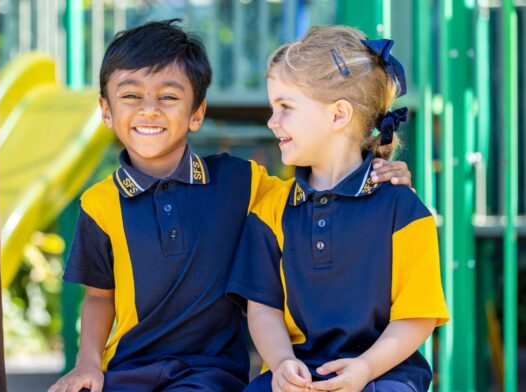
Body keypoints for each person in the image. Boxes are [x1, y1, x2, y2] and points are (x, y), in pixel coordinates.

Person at [49, 20, 413, 392]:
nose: (150, 110)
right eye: (130, 96)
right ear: (106, 110)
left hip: (209, 372)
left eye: (169, 97)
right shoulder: (97, 204)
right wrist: (87, 365)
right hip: (127, 368)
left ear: (197, 113)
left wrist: (377, 169)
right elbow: (97, 297)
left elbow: (325, 189)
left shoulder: (242, 181)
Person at [227, 26, 449, 392]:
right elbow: (262, 307)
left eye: (285, 107)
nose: (272, 121)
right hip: (298, 372)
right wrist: (282, 362)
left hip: (384, 373)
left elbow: (418, 315)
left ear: (338, 115)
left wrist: (364, 368)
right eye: (272, 107)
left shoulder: (404, 210)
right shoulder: (269, 210)